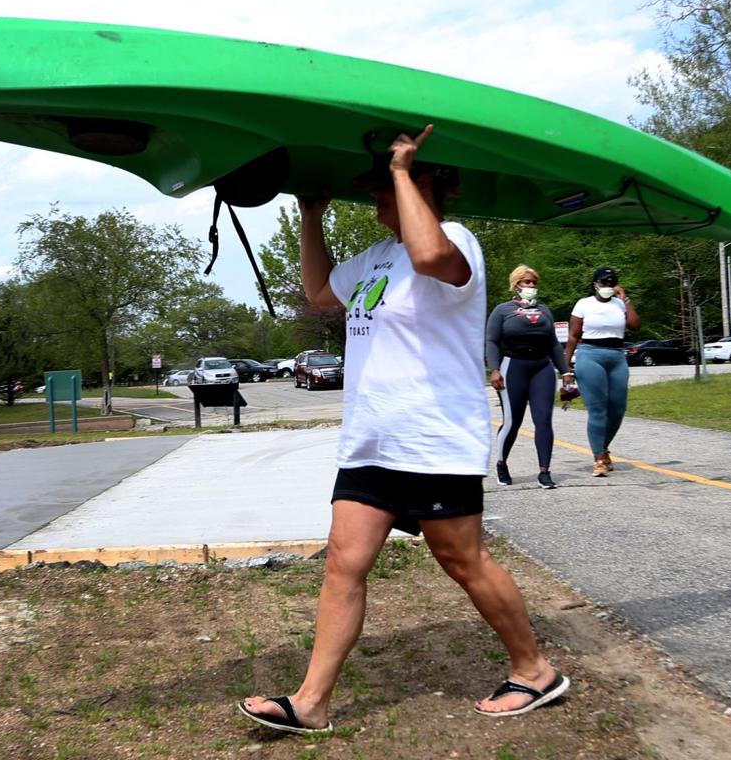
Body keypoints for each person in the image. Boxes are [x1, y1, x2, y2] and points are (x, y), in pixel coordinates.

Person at [239, 125, 569, 734]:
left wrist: (400, 170)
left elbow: (428, 256)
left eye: (385, 189)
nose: (376, 201)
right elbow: (318, 293)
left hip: (433, 436)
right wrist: (311, 216)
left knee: (462, 559)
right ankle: (311, 701)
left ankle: (535, 669)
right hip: (372, 438)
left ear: (427, 185)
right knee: (344, 560)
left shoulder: (458, 243)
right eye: (375, 190)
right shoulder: (375, 259)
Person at [485, 265, 571, 489]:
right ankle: (502, 463)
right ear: (516, 285)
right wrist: (493, 368)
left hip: (542, 367)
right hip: (513, 366)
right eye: (527, 282)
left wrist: (566, 372)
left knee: (543, 421)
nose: (531, 286)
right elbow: (492, 341)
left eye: (534, 282)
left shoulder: (544, 311)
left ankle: (544, 471)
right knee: (513, 422)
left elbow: (553, 343)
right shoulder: (502, 310)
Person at [563, 267, 640, 476]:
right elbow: (573, 336)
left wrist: (626, 300)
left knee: (617, 409)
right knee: (598, 409)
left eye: (611, 283)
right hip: (590, 355)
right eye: (604, 283)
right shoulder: (584, 304)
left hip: (616, 356)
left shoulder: (619, 304)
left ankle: (602, 446)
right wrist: (565, 368)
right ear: (595, 284)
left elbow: (634, 325)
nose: (607, 286)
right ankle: (599, 458)